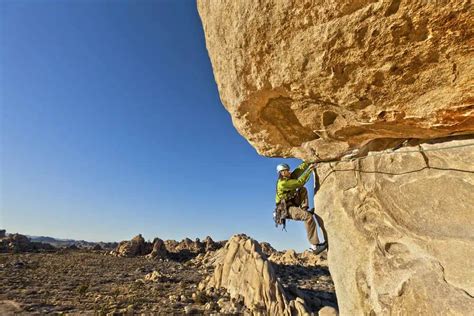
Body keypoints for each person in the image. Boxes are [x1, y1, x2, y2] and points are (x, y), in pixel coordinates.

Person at [275, 162, 328, 254]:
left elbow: (299, 170)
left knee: (302, 190)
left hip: (292, 203)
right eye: (287, 170)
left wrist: (308, 162)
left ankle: (304, 209)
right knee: (308, 217)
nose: (289, 171)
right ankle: (314, 246)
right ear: (282, 173)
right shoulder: (283, 183)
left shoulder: (289, 177)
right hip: (286, 209)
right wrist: (310, 170)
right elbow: (300, 182)